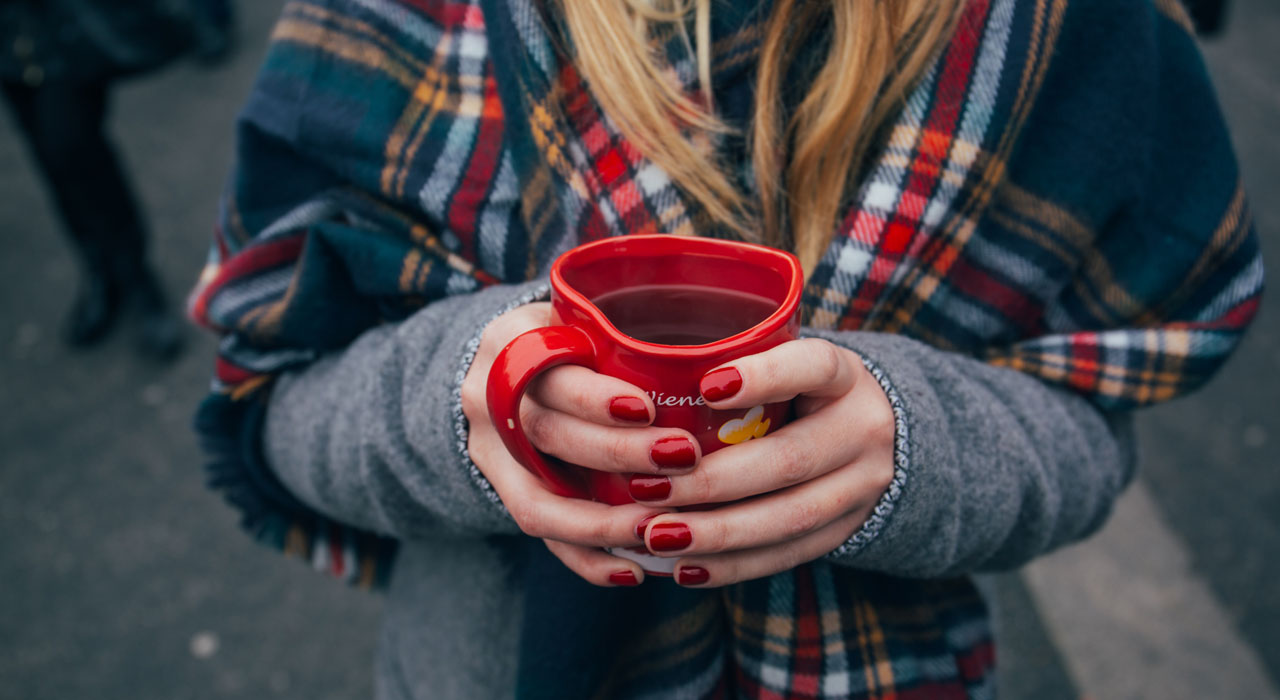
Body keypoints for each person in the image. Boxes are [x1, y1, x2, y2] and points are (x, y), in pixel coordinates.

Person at [189, 0, 1262, 697]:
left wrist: (916, 445)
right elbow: (277, 406)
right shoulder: (413, 15)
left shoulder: (1067, 35)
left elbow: (1088, 425)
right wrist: (467, 399)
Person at [2, 0, 188, 359]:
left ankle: (137, 277)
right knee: (50, 160)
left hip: (60, 29)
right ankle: (99, 271)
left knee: (75, 146)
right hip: (9, 40)